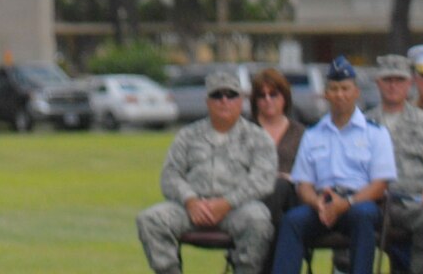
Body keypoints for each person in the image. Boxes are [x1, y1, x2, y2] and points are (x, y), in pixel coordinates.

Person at [135, 65, 278, 274]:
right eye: (217, 95)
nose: (224, 101)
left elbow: (262, 179)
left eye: (231, 95)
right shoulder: (188, 135)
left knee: (259, 221)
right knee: (150, 219)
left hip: (237, 210)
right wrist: (190, 200)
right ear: (207, 101)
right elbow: (170, 174)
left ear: (241, 100)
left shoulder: (258, 138)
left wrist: (228, 202)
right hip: (192, 209)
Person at [270, 55, 396, 274]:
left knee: (363, 215)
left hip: (359, 202)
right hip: (323, 204)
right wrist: (316, 202)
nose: (340, 95)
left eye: (345, 89)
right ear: (325, 94)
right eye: (334, 89)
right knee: (292, 221)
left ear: (356, 92)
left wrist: (346, 203)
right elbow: (303, 183)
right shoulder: (313, 134)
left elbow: (380, 184)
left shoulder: (375, 133)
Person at [373, 53, 423, 274]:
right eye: (387, 80)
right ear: (377, 82)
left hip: (415, 202)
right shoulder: (364, 123)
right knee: (355, 216)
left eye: (399, 80)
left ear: (409, 83)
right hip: (375, 202)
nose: (393, 86)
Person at [249, 68, 304, 223]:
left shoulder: (301, 133)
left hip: (292, 197)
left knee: (281, 186)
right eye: (262, 95)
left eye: (273, 94)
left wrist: (292, 178)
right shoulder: (245, 131)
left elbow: (311, 172)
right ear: (255, 100)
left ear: (284, 97)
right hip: (252, 195)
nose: (268, 99)